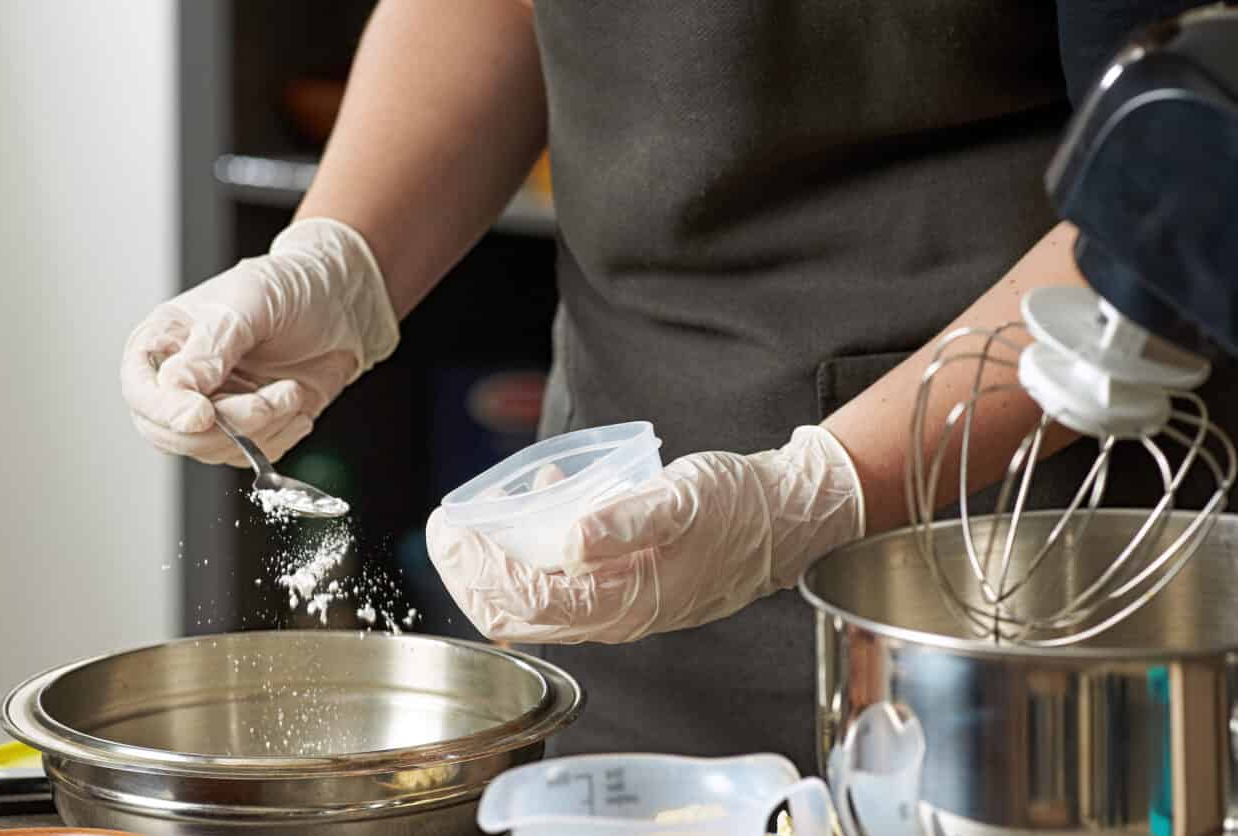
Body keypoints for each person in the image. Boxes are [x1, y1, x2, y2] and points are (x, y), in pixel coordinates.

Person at [122, 0, 1222, 768]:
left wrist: (813, 494)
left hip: (1034, 575)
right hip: (628, 602)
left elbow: (1181, 175)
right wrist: (340, 258)